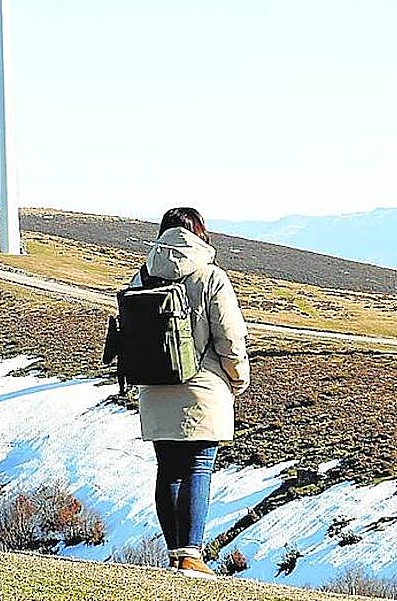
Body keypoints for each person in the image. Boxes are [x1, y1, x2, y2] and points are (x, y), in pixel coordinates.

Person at [134, 207, 250, 578]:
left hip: (155, 388)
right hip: (204, 389)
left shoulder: (143, 275)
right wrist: (237, 379)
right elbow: (230, 337)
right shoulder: (211, 276)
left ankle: (175, 554)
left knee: (168, 469)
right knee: (199, 466)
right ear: (200, 232)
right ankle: (192, 557)